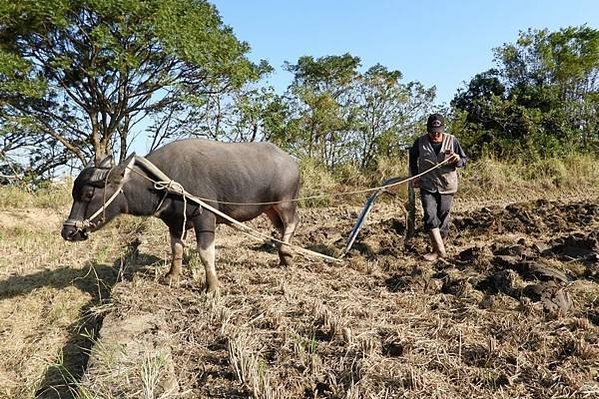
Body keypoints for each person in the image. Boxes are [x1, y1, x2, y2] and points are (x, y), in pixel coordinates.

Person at [409, 113, 467, 261]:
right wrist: (415, 176)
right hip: (427, 184)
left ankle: (441, 244)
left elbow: (464, 160)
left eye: (438, 132)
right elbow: (412, 160)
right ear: (428, 130)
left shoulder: (452, 140)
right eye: (432, 132)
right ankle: (438, 250)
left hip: (447, 185)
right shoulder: (420, 142)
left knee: (443, 215)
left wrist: (458, 159)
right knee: (429, 214)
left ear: (442, 129)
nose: (435, 135)